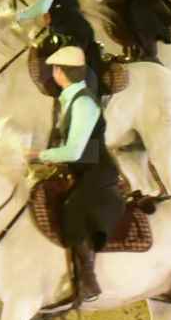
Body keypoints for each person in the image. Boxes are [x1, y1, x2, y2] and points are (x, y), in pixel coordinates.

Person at [28, 45, 125, 304]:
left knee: (73, 210)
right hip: (82, 170)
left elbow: (73, 150)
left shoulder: (82, 102)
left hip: (96, 174)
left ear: (61, 72)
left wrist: (39, 155)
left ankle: (88, 281)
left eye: (54, 70)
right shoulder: (70, 98)